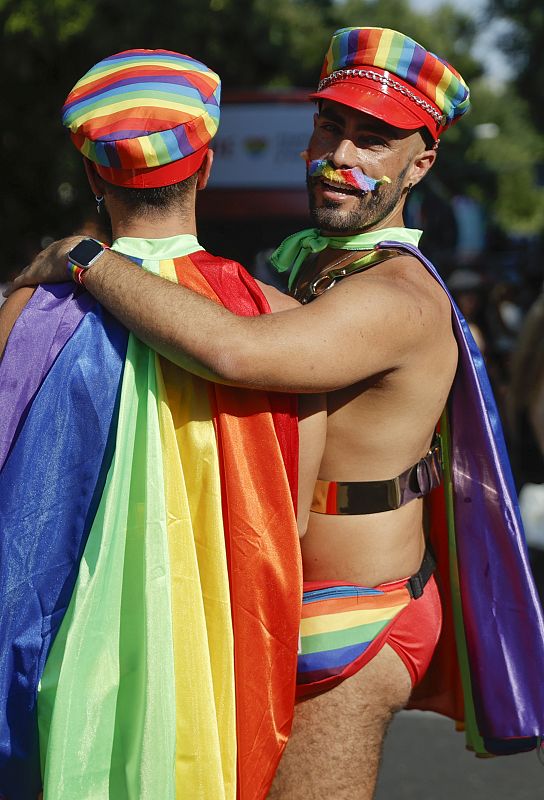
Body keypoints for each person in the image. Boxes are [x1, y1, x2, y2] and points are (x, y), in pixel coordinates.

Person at [8, 28, 544, 799]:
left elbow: (237, 353)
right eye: (331, 127)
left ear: (420, 163)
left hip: (351, 622)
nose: (342, 156)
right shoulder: (312, 261)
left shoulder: (395, 295)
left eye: (375, 140)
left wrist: (86, 258)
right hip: (272, 610)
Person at [0, 49, 325, 800]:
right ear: (205, 167)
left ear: (92, 177)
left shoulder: (26, 313)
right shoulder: (278, 323)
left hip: (59, 661)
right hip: (216, 673)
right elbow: (293, 520)